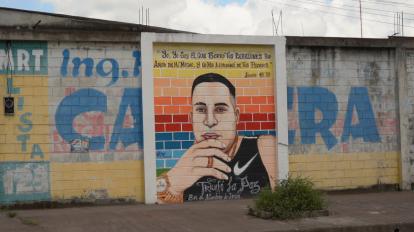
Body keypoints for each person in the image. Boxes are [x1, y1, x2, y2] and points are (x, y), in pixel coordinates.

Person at [157, 73, 277, 203]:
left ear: (236, 116)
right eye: (201, 110)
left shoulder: (263, 147)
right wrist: (171, 183)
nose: (210, 121)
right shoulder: (186, 165)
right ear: (191, 118)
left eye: (220, 109)